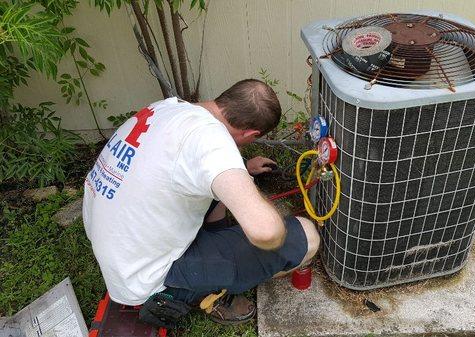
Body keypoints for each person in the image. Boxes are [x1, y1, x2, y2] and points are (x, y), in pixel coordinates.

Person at [82, 79, 320, 326]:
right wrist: (259, 205)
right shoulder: (211, 142)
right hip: (145, 278)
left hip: (118, 247)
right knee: (306, 235)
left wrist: (243, 169)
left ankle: (212, 254)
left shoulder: (168, 108)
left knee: (215, 195)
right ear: (251, 134)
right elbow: (266, 232)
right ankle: (195, 292)